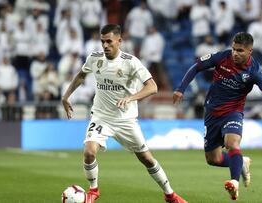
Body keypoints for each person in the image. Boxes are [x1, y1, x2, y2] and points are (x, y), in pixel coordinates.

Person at [61, 24, 187, 203]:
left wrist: (130, 98)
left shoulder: (131, 62)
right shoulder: (94, 58)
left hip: (125, 120)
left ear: (119, 41)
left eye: (109, 42)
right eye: (102, 41)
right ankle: (94, 191)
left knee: (146, 159)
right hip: (101, 117)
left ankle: (170, 195)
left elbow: (152, 87)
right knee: (89, 152)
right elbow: (81, 75)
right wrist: (66, 96)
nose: (105, 46)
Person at [173, 32, 262, 201]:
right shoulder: (222, 57)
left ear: (250, 52)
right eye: (234, 49)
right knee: (213, 159)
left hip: (233, 112)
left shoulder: (254, 71)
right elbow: (196, 67)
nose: (235, 53)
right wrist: (181, 89)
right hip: (212, 112)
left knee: (232, 143)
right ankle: (241, 162)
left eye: (240, 50)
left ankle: (234, 182)